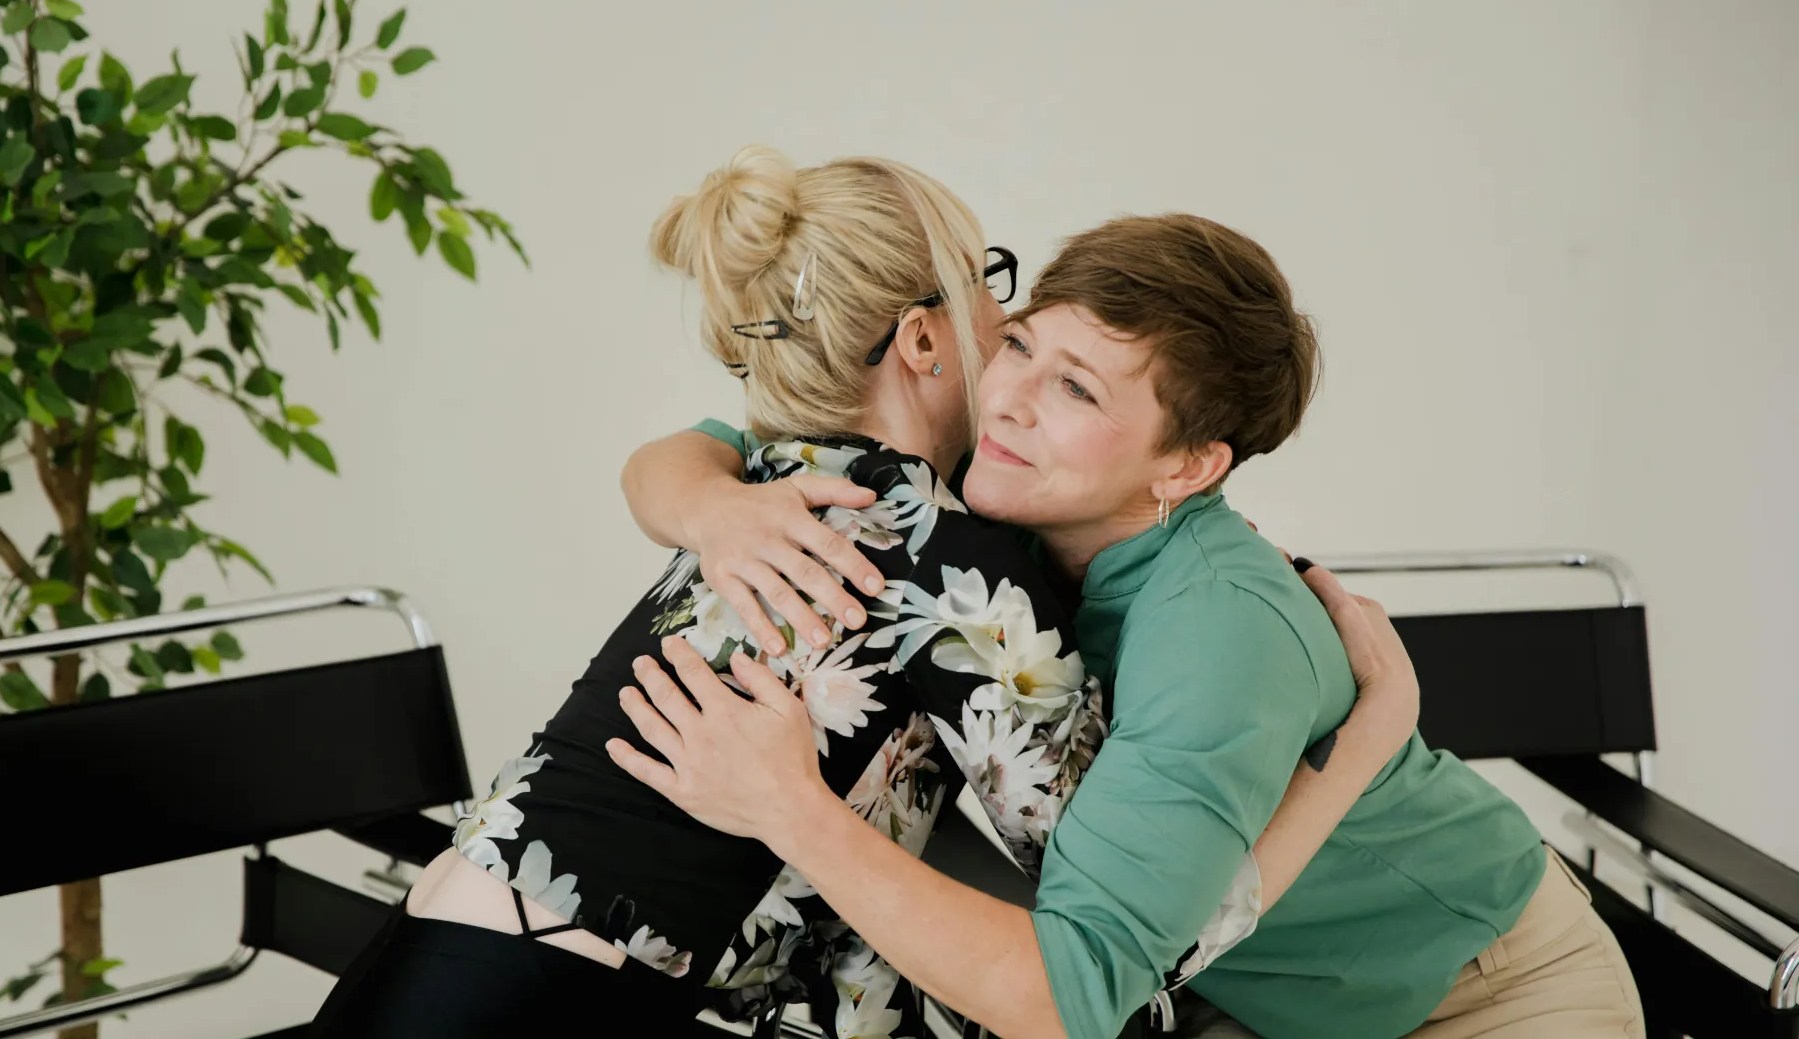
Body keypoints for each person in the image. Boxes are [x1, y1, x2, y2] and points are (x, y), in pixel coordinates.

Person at [303, 148, 1416, 1038]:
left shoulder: (774, 485)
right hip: (548, 1009)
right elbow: (1120, 950)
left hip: (426, 959)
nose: (1008, 330)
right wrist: (1358, 755)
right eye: (992, 288)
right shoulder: (951, 561)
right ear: (925, 339)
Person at [615, 213, 1646, 1038]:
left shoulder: (1217, 632)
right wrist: (716, 511)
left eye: (1076, 386)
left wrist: (789, 808)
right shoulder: (1006, 477)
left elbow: (1069, 999)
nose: (1011, 397)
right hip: (1233, 989)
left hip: (1475, 993)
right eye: (1019, 343)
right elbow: (704, 448)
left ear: (1187, 467)